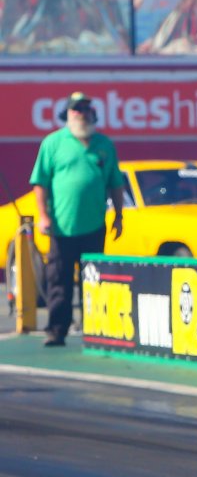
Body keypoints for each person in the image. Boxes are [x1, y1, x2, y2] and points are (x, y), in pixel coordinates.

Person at [28, 92, 125, 346]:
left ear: (93, 113)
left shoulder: (104, 144)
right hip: (62, 226)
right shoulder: (53, 143)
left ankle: (93, 331)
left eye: (86, 109)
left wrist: (118, 215)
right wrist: (43, 216)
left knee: (92, 280)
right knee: (58, 280)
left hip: (94, 226)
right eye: (76, 110)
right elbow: (40, 183)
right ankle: (56, 330)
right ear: (67, 115)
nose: (81, 114)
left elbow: (115, 183)